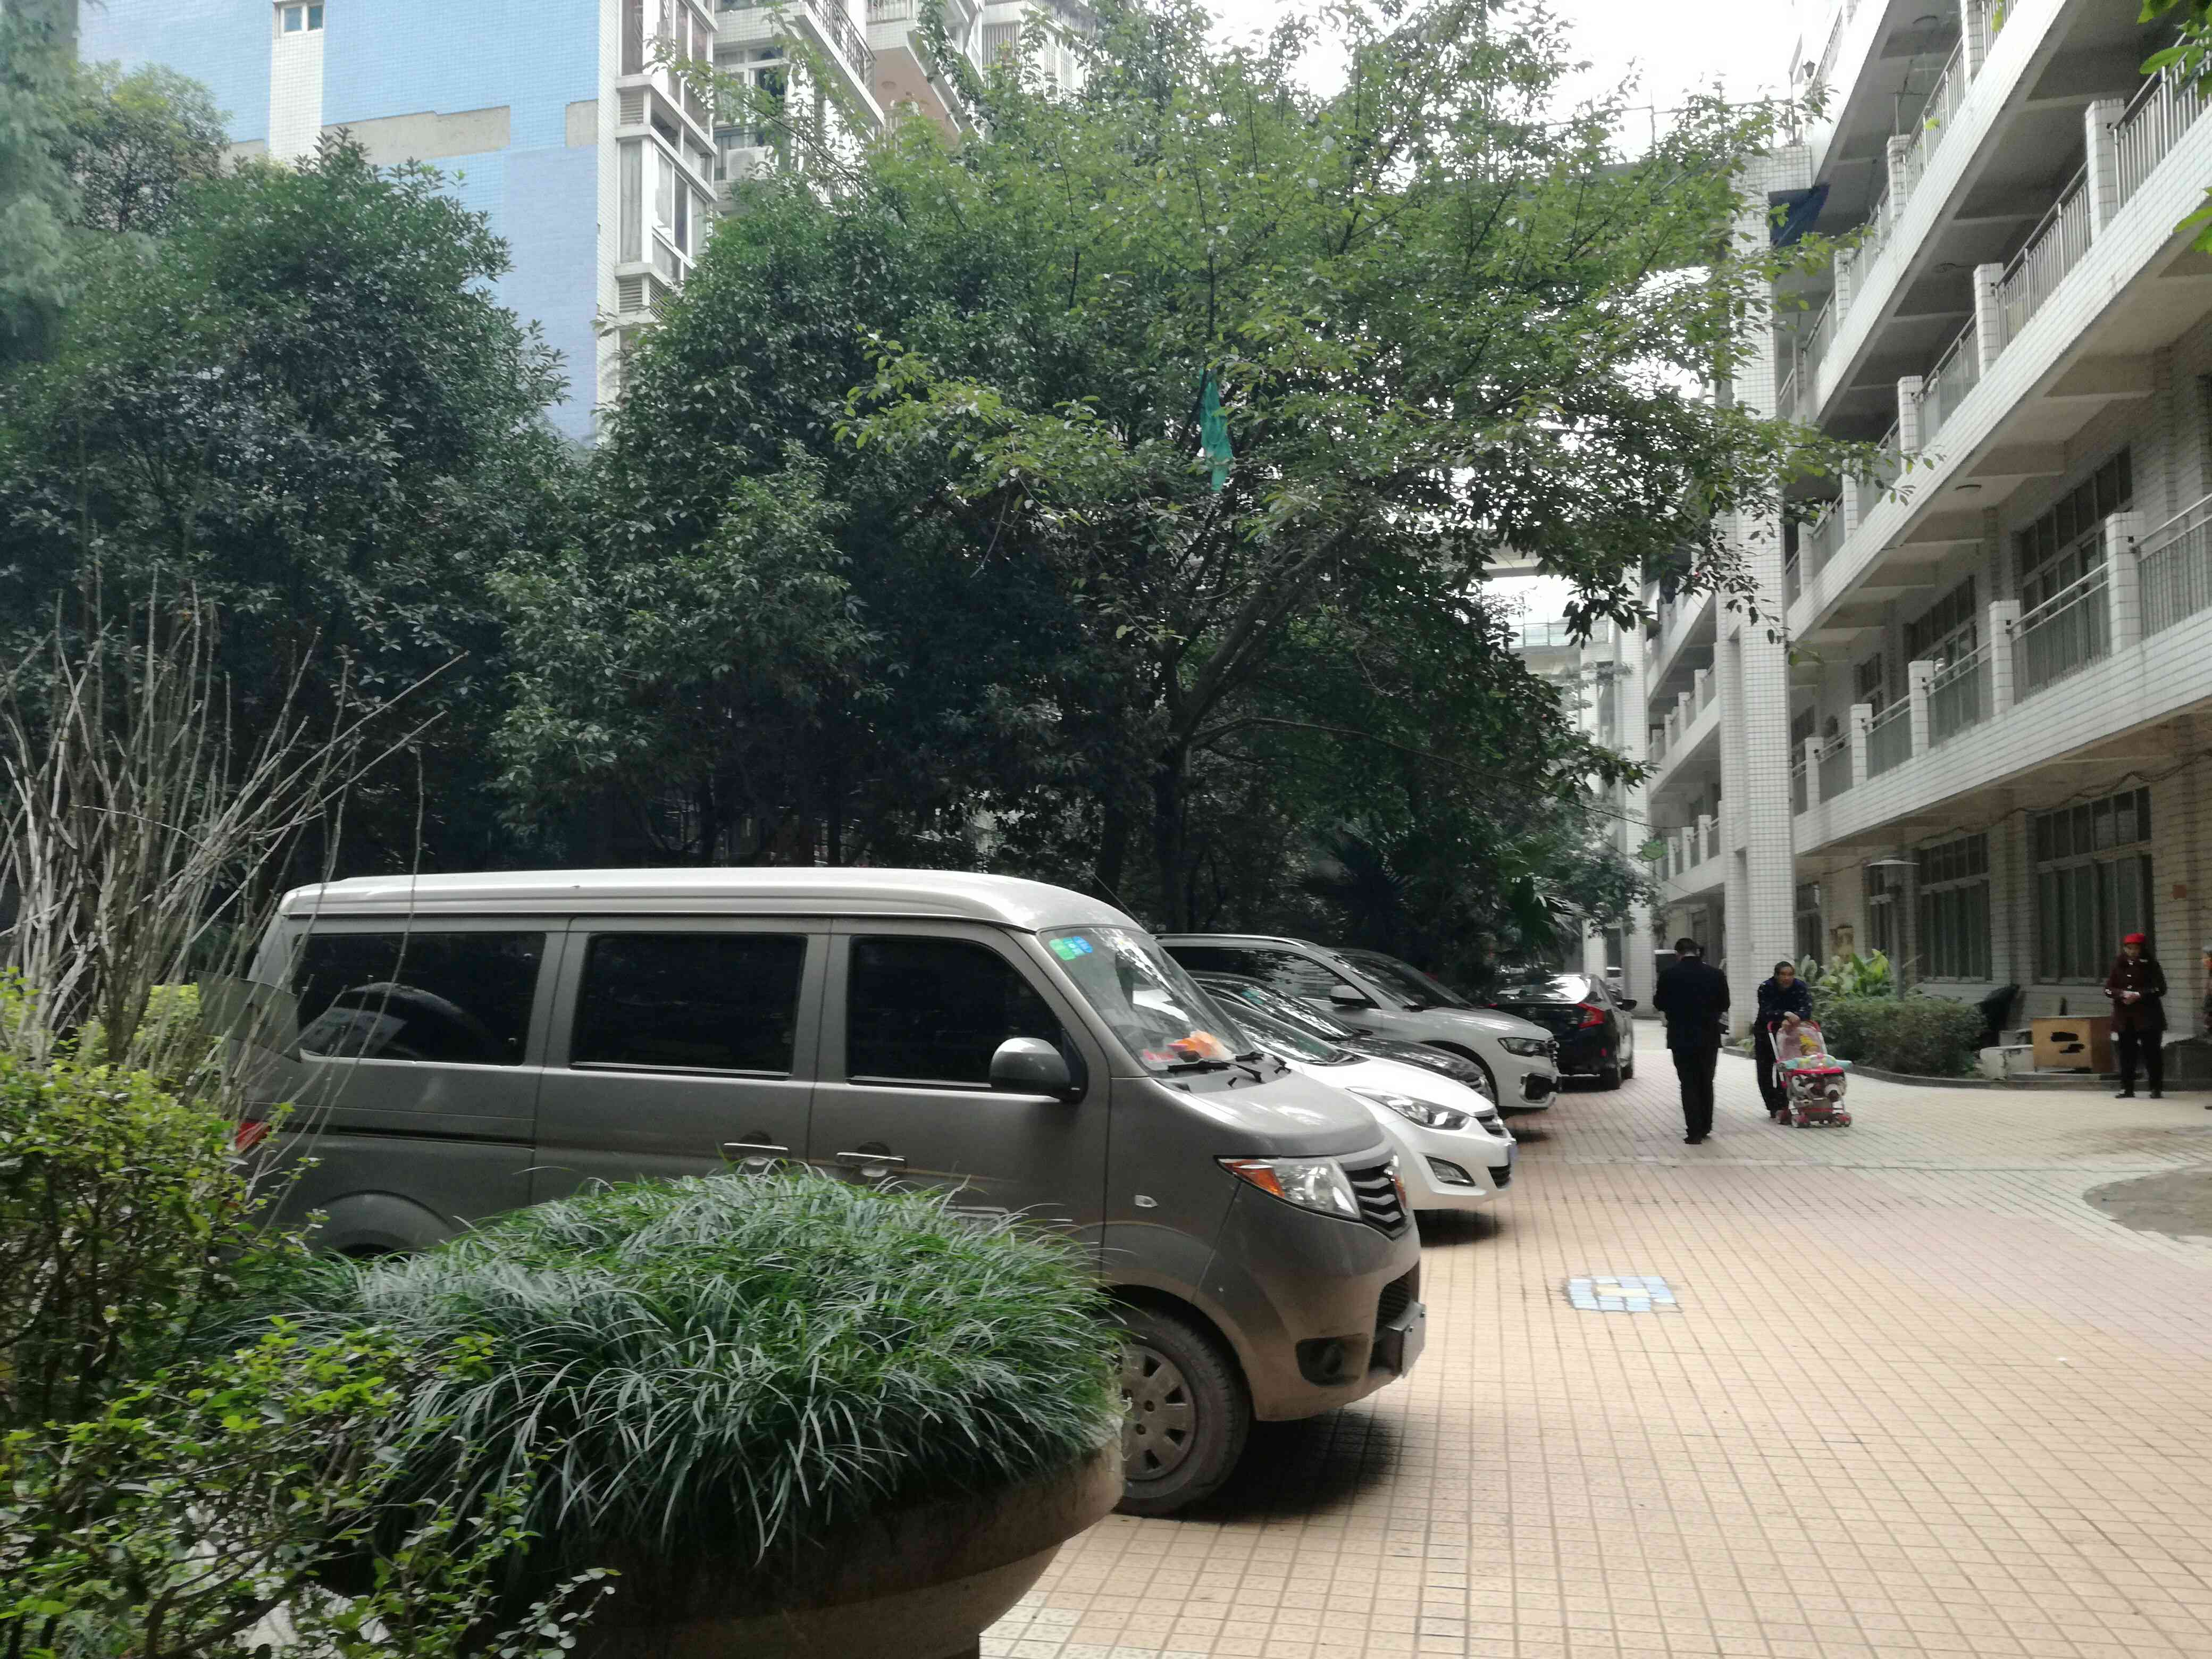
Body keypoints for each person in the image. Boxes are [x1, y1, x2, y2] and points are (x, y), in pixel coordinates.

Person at [1653, 937, 1730, 1144]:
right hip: (1709, 1036)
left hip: (1681, 1037)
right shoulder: (1715, 974)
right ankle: (1706, 1126)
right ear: (1697, 952)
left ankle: (1694, 1131)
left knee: (1688, 1083)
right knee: (1706, 1081)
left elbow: (1659, 1003)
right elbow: (1725, 1003)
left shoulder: (1668, 975)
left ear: (1678, 954)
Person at [2105, 932, 2168, 1100]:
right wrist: (2121, 994)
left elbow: (2160, 988)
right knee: (2127, 1054)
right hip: (2125, 1017)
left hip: (2148, 1017)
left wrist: (2139, 995)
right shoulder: (2119, 964)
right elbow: (2108, 988)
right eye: (2129, 948)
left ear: (2142, 949)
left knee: (2152, 1053)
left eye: (2136, 949)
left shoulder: (2151, 965)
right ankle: (2127, 1088)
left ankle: (2155, 1088)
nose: (2132, 952)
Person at [1754, 960, 1814, 1122]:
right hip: (1766, 1032)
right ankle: (1772, 1105)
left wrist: (1797, 1017)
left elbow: (1807, 1009)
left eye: (1790, 975)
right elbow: (1766, 1012)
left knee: (1786, 1067)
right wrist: (1785, 1015)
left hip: (1790, 1032)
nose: (1787, 978)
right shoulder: (1766, 987)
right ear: (1776, 975)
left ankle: (1783, 1104)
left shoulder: (1800, 987)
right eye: (1783, 975)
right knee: (1765, 1070)